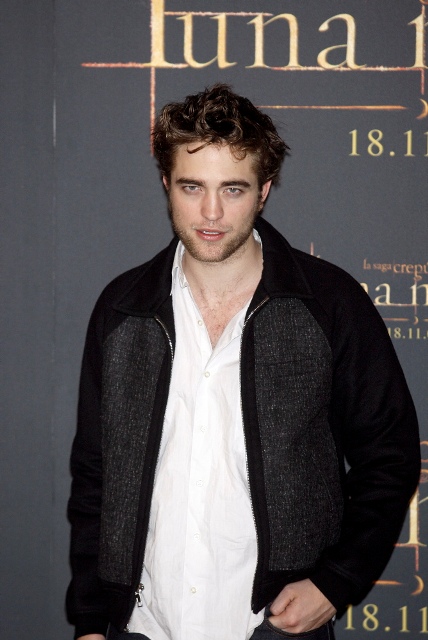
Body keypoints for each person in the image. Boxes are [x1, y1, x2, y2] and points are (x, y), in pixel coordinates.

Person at [66, 84, 420, 640]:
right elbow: (95, 475)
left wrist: (336, 582)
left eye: (232, 189)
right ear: (167, 184)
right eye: (193, 187)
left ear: (264, 191)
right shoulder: (122, 309)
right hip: (140, 625)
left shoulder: (329, 304)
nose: (211, 213)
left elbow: (389, 457)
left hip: (271, 625)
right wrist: (91, 620)